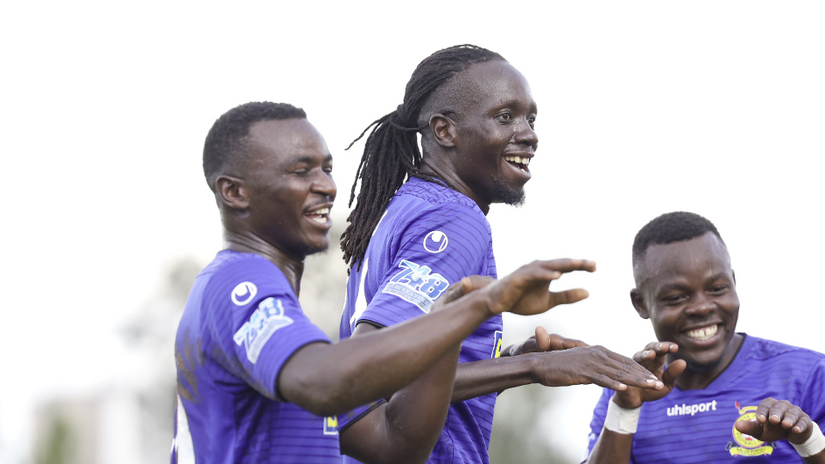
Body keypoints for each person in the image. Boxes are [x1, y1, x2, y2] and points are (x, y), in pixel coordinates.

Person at [170, 101, 657, 464]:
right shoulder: (241, 284)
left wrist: (462, 330)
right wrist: (480, 307)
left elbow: (394, 443)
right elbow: (332, 380)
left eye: (327, 168)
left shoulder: (291, 323)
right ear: (234, 193)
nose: (326, 186)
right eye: (301, 171)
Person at [338, 44, 663, 464]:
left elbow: (409, 375)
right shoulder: (455, 219)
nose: (528, 134)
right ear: (444, 131)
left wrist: (510, 361)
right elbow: (371, 368)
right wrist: (532, 370)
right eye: (504, 117)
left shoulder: (404, 208)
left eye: (530, 118)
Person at [584, 211, 825, 463]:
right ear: (641, 303)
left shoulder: (811, 376)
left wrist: (809, 440)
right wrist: (625, 410)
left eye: (717, 289)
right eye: (677, 297)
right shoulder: (623, 393)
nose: (702, 308)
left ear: (733, 282)